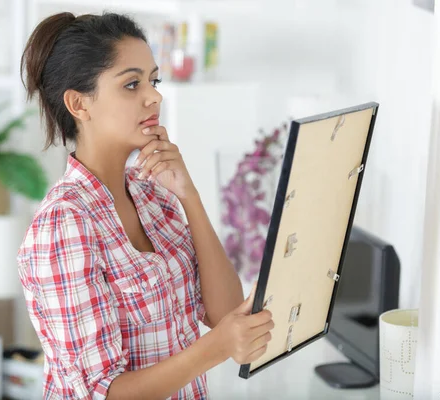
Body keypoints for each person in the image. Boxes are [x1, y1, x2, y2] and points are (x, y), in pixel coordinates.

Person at [17, 12, 274, 400]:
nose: (154, 96)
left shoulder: (152, 194)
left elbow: (224, 313)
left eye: (153, 80)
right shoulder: (64, 224)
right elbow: (103, 392)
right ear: (79, 104)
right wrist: (218, 346)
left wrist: (190, 196)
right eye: (132, 83)